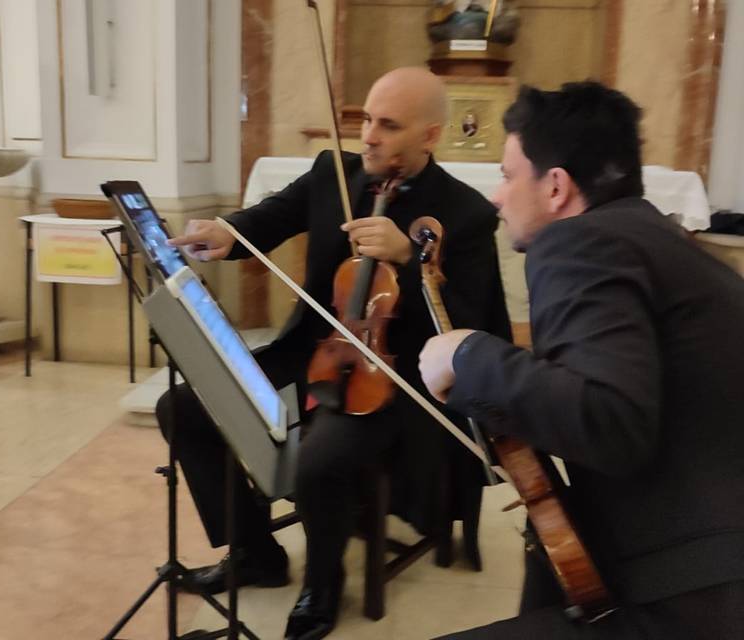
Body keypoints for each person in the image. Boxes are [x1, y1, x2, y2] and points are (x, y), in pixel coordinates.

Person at [159, 67, 512, 640]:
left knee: (319, 459)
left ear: (429, 135)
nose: (369, 135)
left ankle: (321, 587)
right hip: (315, 349)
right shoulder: (335, 174)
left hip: (401, 378)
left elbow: (475, 327)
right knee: (183, 409)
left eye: (388, 125)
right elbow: (267, 219)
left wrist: (415, 264)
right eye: (367, 119)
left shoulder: (464, 214)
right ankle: (257, 554)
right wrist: (226, 231)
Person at [419, 81, 744, 638]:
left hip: (701, 595)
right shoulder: (661, 239)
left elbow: (610, 421)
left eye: (506, 175)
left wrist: (468, 354)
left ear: (556, 188)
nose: (496, 197)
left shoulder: (582, 244)